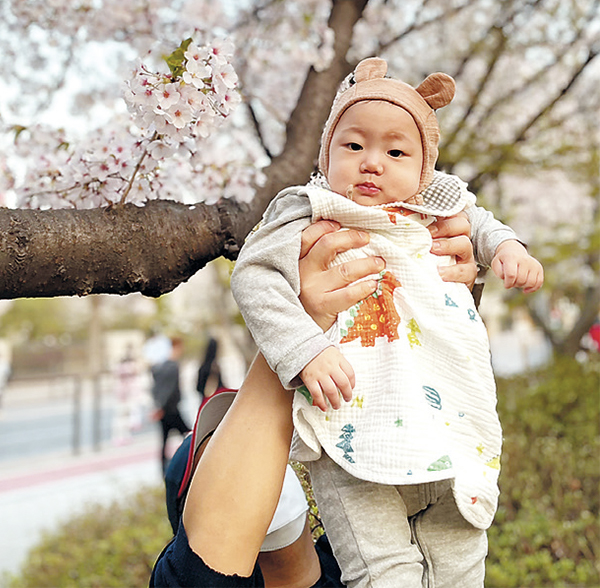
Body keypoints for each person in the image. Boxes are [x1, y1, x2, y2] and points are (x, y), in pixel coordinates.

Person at [231, 58, 544, 586]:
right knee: (383, 571)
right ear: (326, 151)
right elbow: (255, 274)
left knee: (460, 554)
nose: (372, 163)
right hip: (353, 417)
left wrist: (508, 247)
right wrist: (304, 346)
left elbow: (481, 221)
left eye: (396, 151)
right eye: (353, 146)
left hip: (440, 415)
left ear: (424, 169)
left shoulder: (437, 204)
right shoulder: (311, 209)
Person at [151, 216, 478, 587]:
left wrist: (444, 289)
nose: (264, 460)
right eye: (216, 452)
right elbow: (206, 563)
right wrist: (301, 322)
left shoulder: (362, 554)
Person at [151, 336, 191, 475]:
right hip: (171, 409)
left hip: (165, 409)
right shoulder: (173, 366)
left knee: (165, 441)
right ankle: (191, 463)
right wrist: (161, 406)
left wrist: (157, 406)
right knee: (189, 436)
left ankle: (163, 470)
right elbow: (169, 389)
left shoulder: (158, 367)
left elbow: (156, 388)